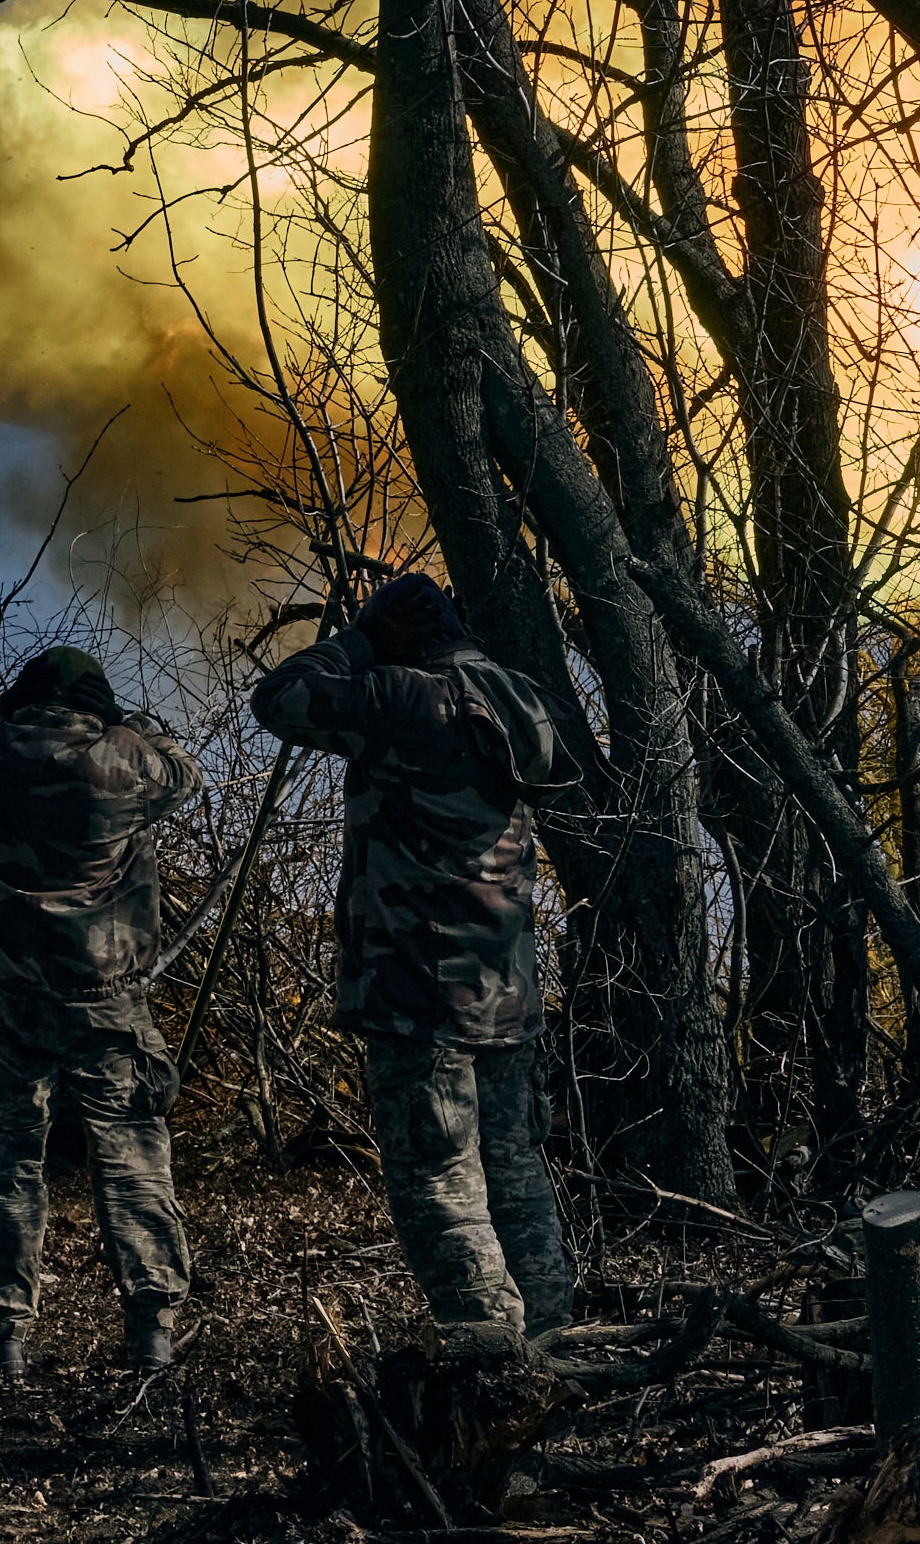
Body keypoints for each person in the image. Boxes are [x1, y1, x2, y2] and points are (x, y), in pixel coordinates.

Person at [252, 573, 576, 1358]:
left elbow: (279, 698)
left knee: (439, 1179)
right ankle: (555, 1339)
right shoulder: (520, 695)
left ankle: (491, 1356)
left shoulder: (400, 695)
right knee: (514, 1168)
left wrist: (359, 641)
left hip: (415, 980)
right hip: (506, 981)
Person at [0, 645, 203, 1380]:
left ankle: (2, 1338)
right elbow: (185, 770)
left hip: (8, 995)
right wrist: (134, 724)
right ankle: (153, 1332)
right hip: (109, 999)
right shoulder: (127, 759)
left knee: (5, 1160)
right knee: (134, 1158)